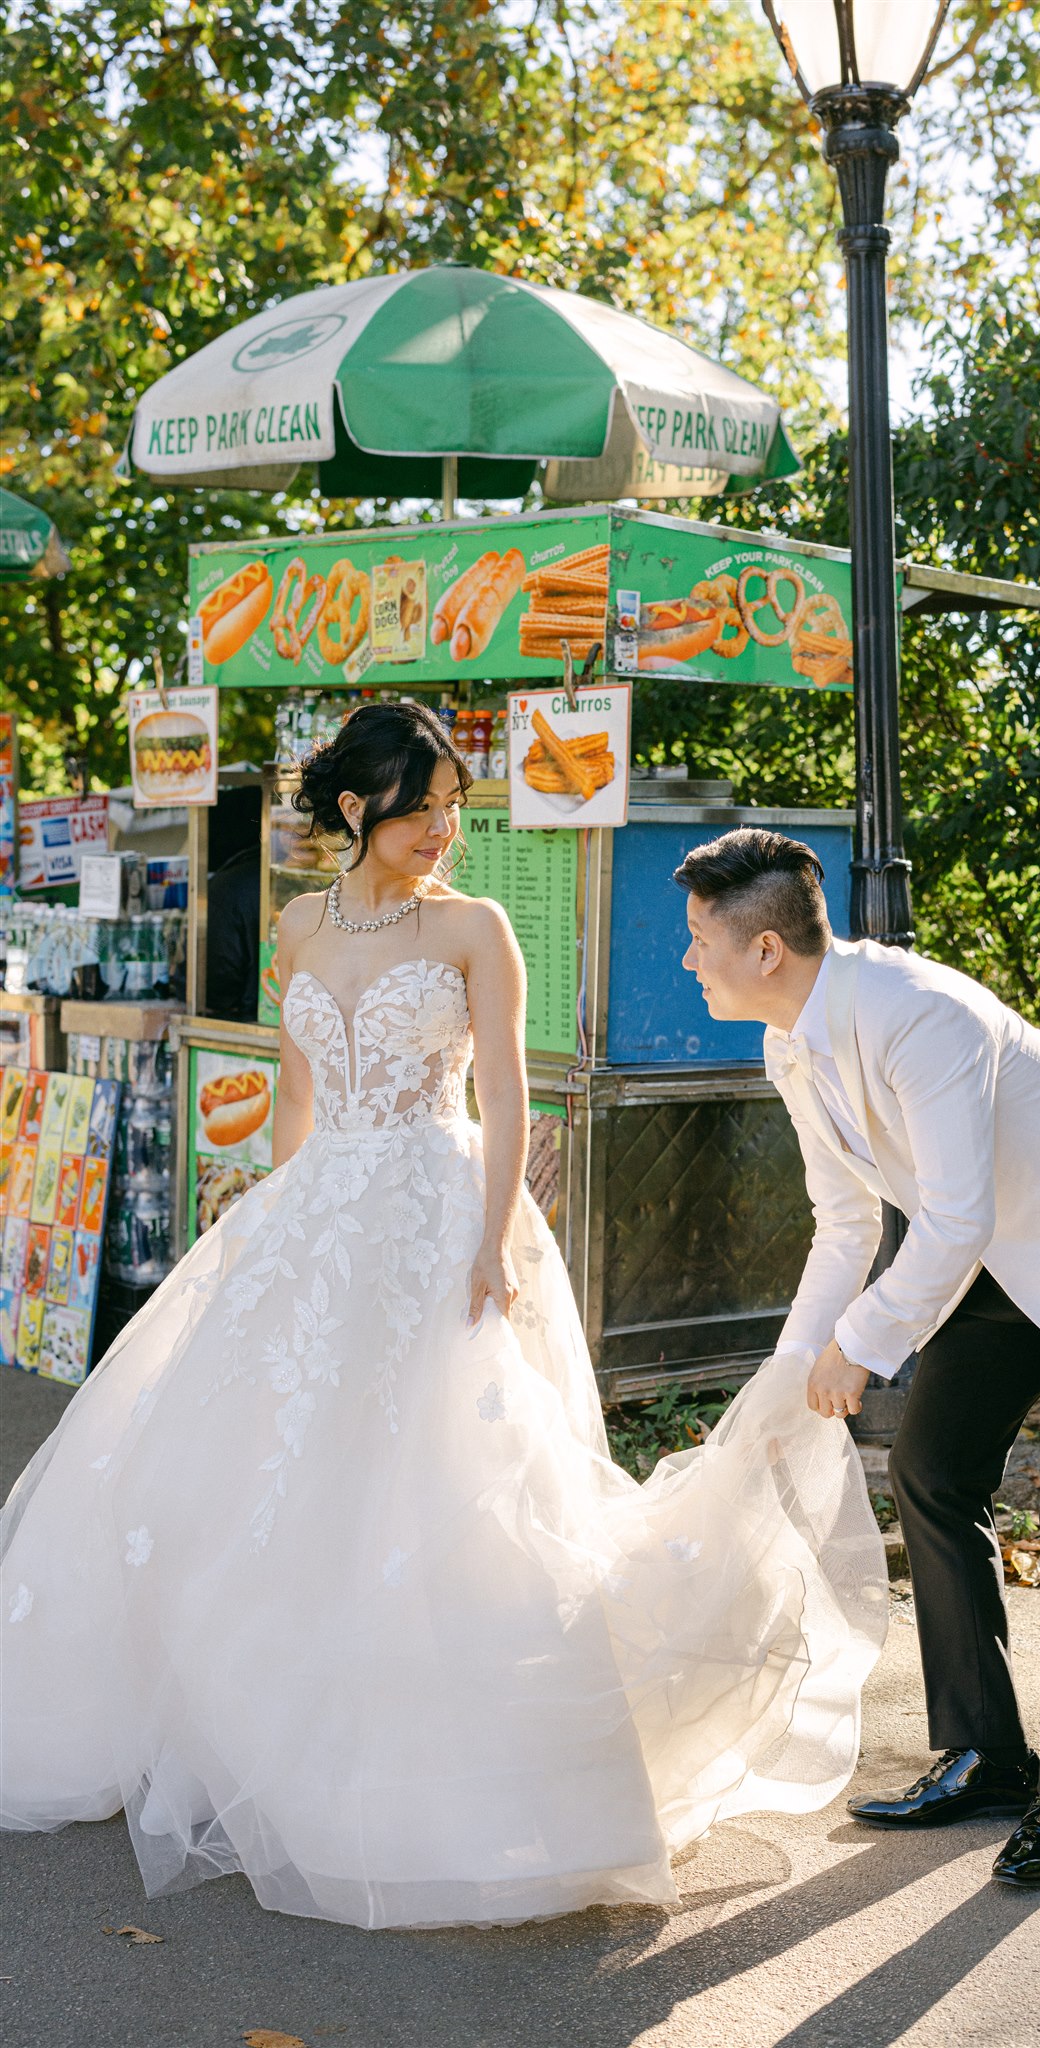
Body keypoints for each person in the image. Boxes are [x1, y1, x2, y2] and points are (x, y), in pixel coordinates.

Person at [0, 705, 885, 1930]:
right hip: (316, 1218)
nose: (444, 830)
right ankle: (248, 1723)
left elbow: (509, 1097)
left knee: (442, 1475)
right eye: (423, 808)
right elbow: (296, 1098)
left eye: (454, 806)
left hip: (439, 1214)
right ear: (358, 809)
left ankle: (431, 1757)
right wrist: (276, 1228)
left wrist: (491, 1239)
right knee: (264, 1469)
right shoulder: (302, 927)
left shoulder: (478, 926)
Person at [676, 827, 1040, 1888]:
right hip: (1001, 1256)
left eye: (700, 940)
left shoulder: (917, 1016)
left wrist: (865, 1345)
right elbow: (844, 1220)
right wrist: (798, 1369)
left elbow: (956, 1212)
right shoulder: (790, 1038)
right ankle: (986, 1751)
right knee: (932, 1471)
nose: (689, 960)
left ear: (767, 950)